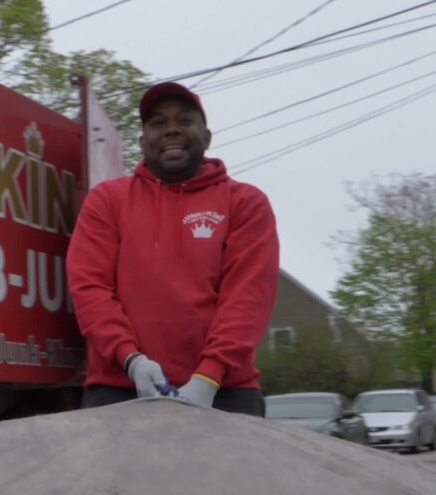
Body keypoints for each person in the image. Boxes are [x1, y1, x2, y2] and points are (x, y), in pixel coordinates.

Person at [66, 82, 279, 416]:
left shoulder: (246, 203)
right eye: (158, 123)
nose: (172, 130)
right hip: (119, 387)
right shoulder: (107, 201)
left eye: (184, 120)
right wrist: (131, 360)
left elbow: (248, 296)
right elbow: (90, 287)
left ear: (206, 137)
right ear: (142, 141)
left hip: (225, 392)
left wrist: (209, 376)